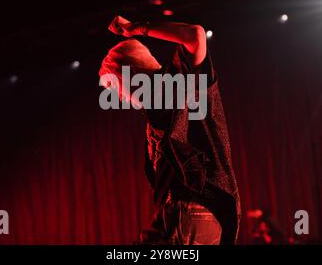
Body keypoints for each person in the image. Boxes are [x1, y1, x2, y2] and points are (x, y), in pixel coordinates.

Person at [99, 15, 241, 245]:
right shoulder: (154, 114)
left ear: (128, 73)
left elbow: (195, 35)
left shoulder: (173, 83)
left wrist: (137, 27)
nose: (118, 97)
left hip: (196, 209)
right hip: (194, 218)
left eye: (112, 85)